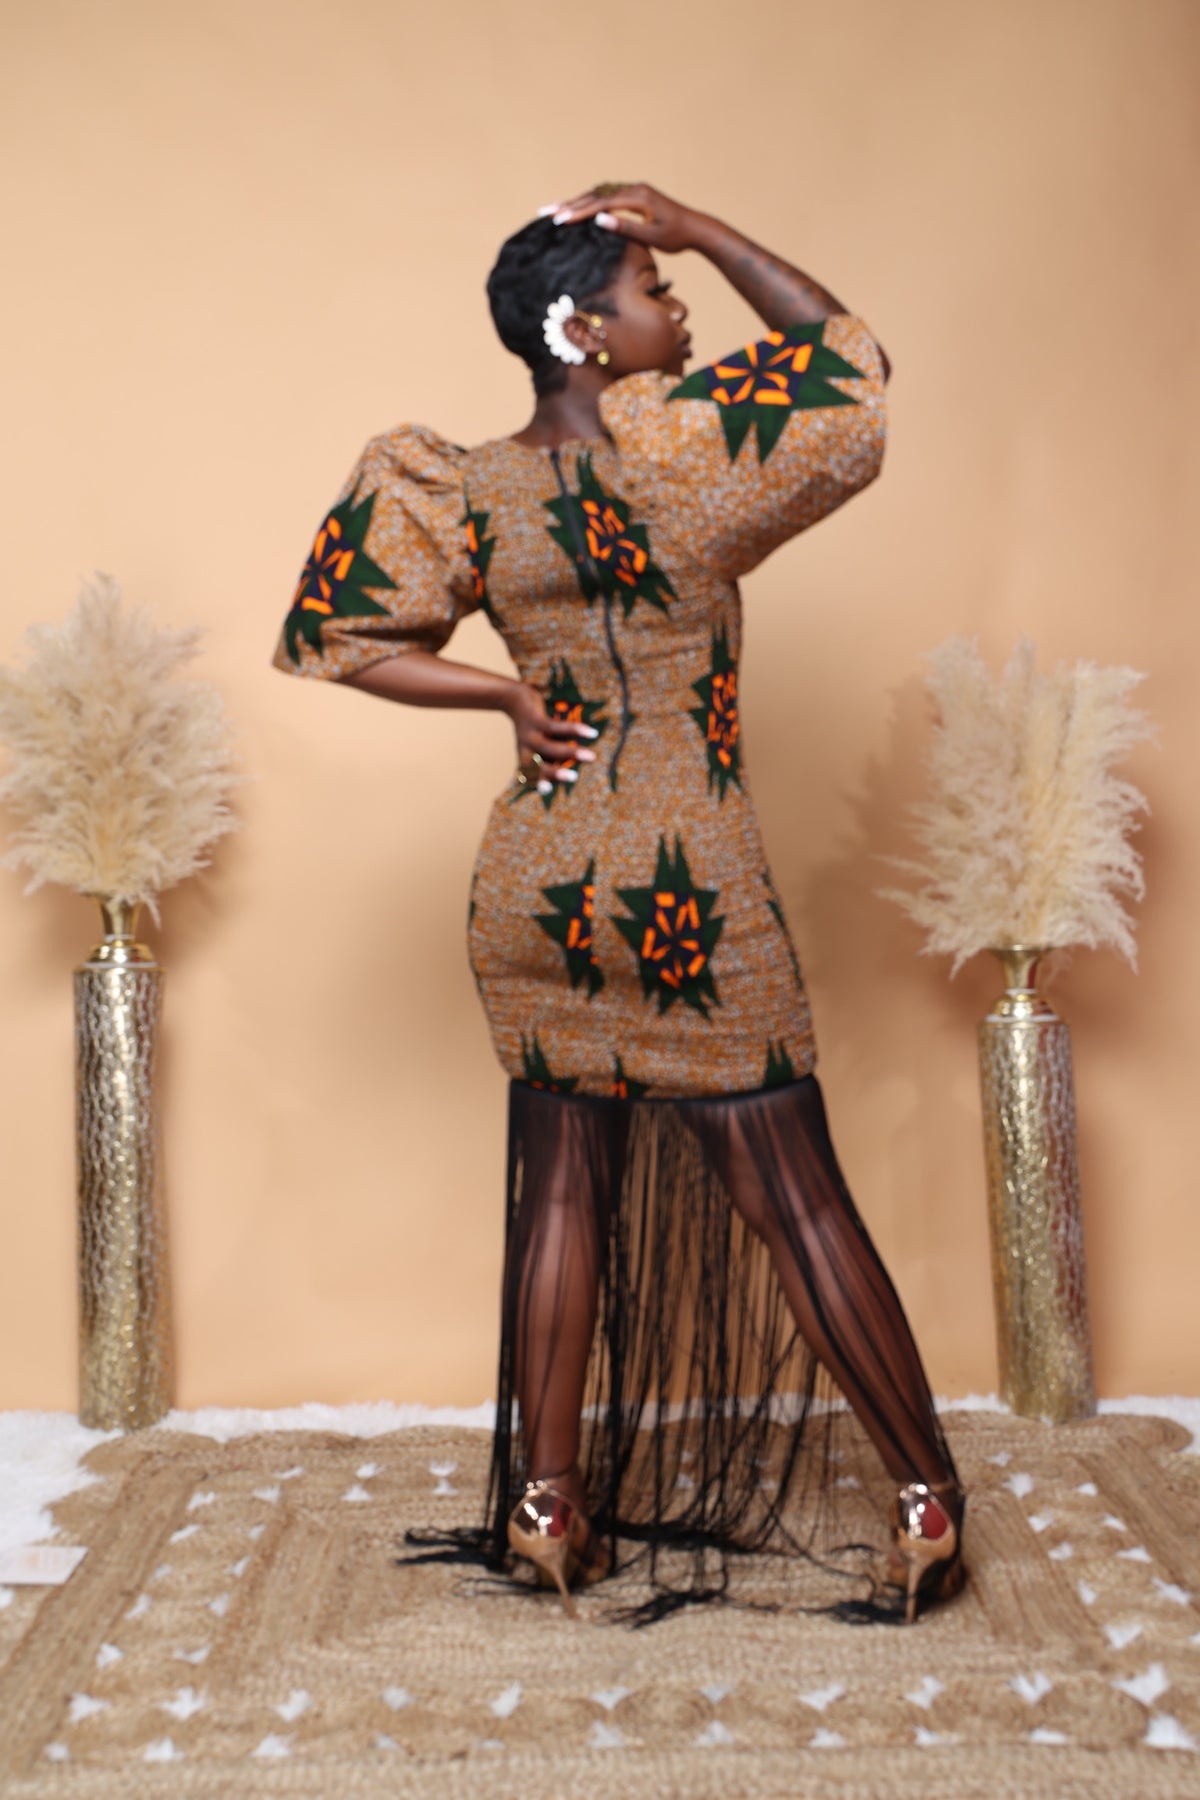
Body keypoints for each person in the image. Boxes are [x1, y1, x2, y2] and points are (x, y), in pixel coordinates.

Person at [273, 182, 965, 1626]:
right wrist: (705, 222)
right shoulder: (691, 455)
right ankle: (924, 1500)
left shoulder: (457, 485)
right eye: (656, 289)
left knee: (563, 1191)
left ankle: (546, 1508)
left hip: (539, 886)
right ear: (584, 329)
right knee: (796, 1198)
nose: (681, 309)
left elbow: (335, 632)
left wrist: (503, 697)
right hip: (688, 885)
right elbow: (851, 361)